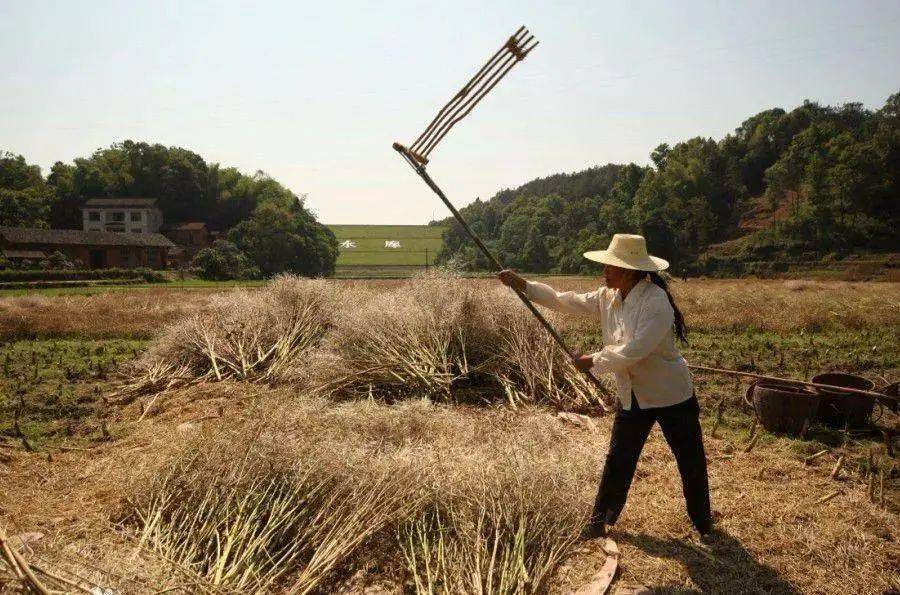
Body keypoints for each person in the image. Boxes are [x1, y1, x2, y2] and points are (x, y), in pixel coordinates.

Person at [498, 233, 712, 539]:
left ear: (628, 270)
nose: (604, 271)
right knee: (618, 458)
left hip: (671, 395)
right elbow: (564, 300)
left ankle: (703, 522)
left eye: (610, 267)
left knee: (689, 458)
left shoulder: (655, 302)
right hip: (634, 395)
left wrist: (592, 360)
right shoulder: (608, 297)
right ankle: (599, 520)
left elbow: (635, 350)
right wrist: (524, 286)